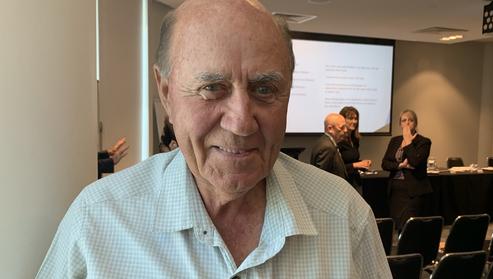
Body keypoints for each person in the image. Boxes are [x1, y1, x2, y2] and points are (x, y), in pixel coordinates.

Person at [38, 0, 389, 277]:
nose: (240, 123)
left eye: (265, 88)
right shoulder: (99, 220)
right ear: (166, 93)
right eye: (211, 88)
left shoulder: (345, 218)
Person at [382, 109, 432, 231]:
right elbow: (385, 164)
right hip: (395, 191)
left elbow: (415, 161)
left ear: (415, 123)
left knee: (409, 227)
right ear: (400, 124)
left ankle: (409, 249)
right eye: (404, 120)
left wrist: (408, 141)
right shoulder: (395, 141)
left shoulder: (423, 142)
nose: (407, 123)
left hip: (413, 192)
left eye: (411, 120)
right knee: (398, 226)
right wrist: (400, 166)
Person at [338, 106, 372, 193]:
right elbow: (337, 167)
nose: (354, 121)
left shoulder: (354, 139)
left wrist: (363, 163)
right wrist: (357, 165)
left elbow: (353, 160)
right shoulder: (338, 140)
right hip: (343, 184)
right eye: (350, 118)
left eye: (356, 119)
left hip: (355, 182)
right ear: (342, 120)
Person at [310, 113, 349, 181]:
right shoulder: (327, 147)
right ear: (330, 129)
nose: (345, 130)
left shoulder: (325, 142)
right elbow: (321, 178)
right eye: (342, 127)